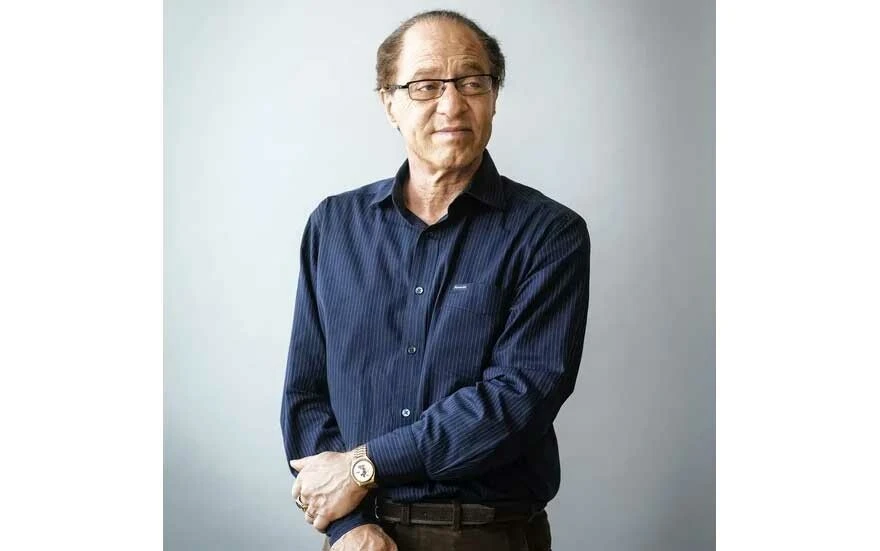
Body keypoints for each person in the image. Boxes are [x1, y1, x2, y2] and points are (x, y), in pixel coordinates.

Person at [281, 9, 590, 551]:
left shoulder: (549, 234)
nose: (452, 105)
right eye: (425, 85)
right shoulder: (333, 226)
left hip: (485, 535)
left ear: (494, 97)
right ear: (389, 103)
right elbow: (306, 394)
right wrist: (349, 527)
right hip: (359, 535)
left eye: (472, 82)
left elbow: (517, 399)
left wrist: (362, 466)